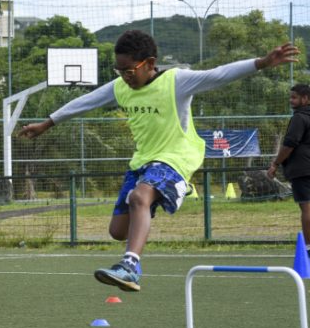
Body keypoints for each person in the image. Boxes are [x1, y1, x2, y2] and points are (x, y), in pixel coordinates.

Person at [19, 30, 299, 292]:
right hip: (143, 160)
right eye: (120, 70)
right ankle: (155, 199)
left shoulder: (176, 81)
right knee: (117, 231)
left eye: (129, 70)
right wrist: (47, 123)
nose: (125, 76)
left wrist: (261, 63)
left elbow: (218, 75)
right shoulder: (120, 87)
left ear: (149, 63)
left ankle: (130, 265)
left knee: (139, 197)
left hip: (177, 157)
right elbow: (87, 101)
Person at [267, 84, 310, 254]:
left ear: (305, 98)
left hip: (303, 169)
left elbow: (289, 144)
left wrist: (275, 164)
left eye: (294, 97)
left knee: (306, 209)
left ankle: (308, 248)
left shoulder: (299, 117)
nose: (291, 100)